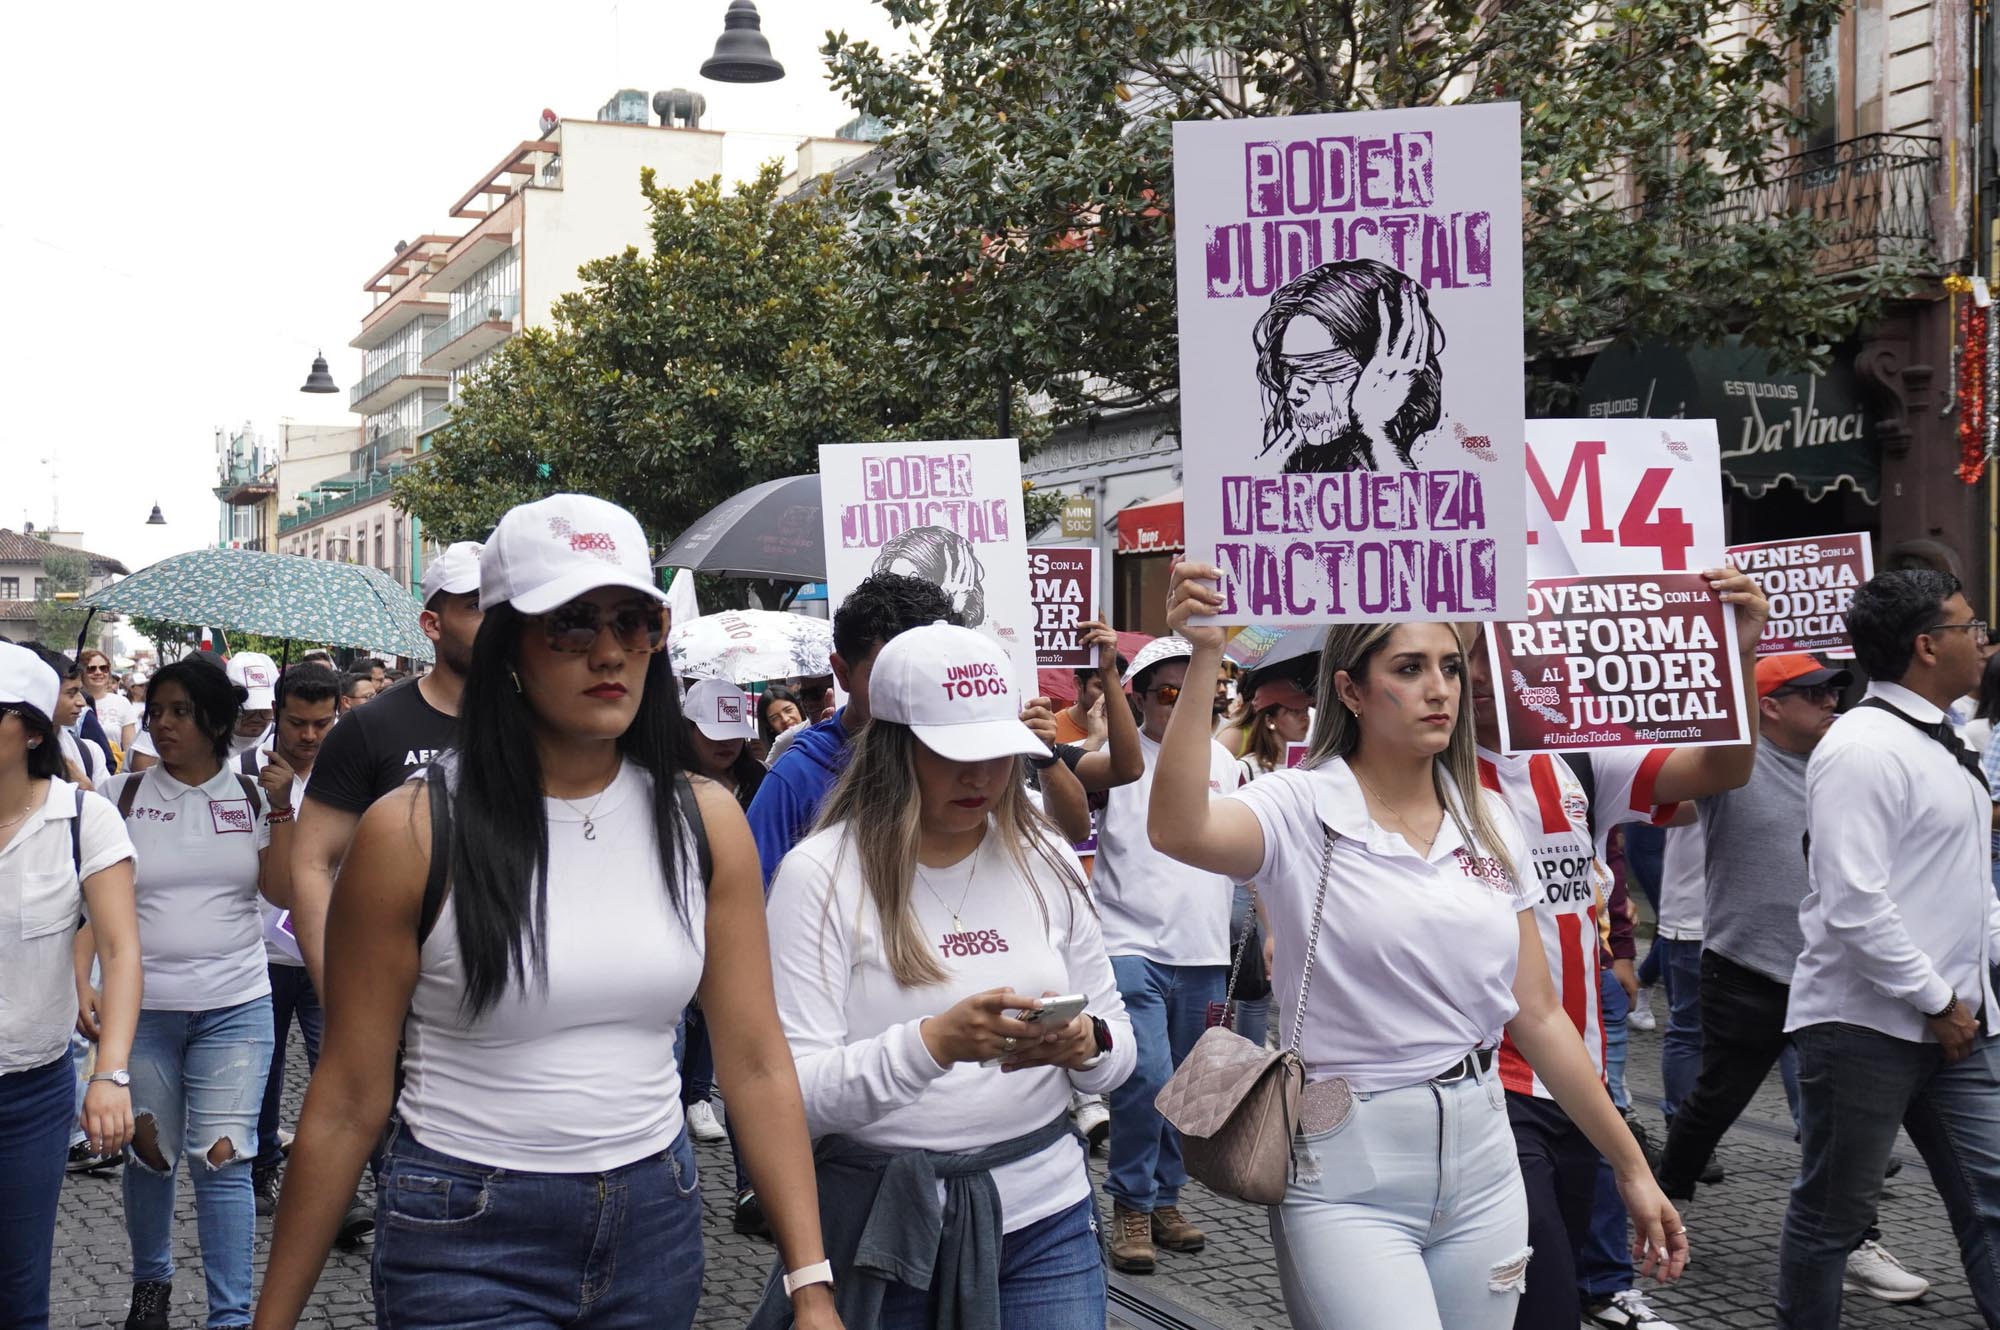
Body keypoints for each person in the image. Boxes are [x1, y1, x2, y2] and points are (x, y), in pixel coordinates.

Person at [252, 495, 839, 1330]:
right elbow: (348, 1094)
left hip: (655, 1223)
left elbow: (754, 1062)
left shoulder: (705, 821)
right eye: (570, 624)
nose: (610, 652)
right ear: (508, 649)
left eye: (636, 622)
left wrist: (810, 1285)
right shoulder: (412, 832)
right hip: (464, 1230)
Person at [1150, 561, 1686, 1330]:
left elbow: (1536, 1015)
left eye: (1447, 667)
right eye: (1408, 668)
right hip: (1344, 1165)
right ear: (1351, 691)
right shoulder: (1301, 804)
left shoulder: (1490, 821)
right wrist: (1205, 657)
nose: (1440, 687)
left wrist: (1632, 1168)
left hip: (1484, 1155)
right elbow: (1179, 830)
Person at [752, 621, 1135, 1329]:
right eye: (953, 752)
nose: (982, 776)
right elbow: (788, 1094)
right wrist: (930, 1046)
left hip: (1049, 1218)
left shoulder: (1045, 855)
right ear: (893, 749)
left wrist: (1086, 1043)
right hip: (883, 1232)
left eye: (998, 752)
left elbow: (1118, 1040)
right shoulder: (820, 876)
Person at [1464, 563, 1766, 1330]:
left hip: (1578, 1066)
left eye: (1509, 651)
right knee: (1537, 1296)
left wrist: (1738, 654)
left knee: (1553, 1288)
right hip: (1480, 1071)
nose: (1488, 673)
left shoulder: (1580, 754)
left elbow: (1725, 768)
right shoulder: (1415, 770)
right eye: (1471, 652)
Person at [1653, 652, 1924, 1304]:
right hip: (1746, 968)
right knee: (1715, 1102)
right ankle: (1657, 1202)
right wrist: (1736, 653)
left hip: (1831, 974)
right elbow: (1673, 773)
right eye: (1813, 693)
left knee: (1836, 1115)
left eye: (1835, 690)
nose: (1832, 701)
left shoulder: (1846, 764)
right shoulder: (1731, 765)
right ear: (1768, 706)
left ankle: (1858, 1240)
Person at [1777, 571, 2000, 1326]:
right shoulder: (1864, 749)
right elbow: (1853, 902)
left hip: (1956, 1025)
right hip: (1867, 1027)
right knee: (1833, 1219)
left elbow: (1966, 884)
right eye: (1971, 628)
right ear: (1927, 646)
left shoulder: (1947, 741)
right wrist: (1936, 1000)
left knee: (1991, 1200)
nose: (1984, 641)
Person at [98, 654, 296, 1330]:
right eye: (157, 711)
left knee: (225, 1159)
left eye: (181, 711)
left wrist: (284, 810)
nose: (163, 723)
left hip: (236, 1007)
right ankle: (151, 1286)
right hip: (143, 1014)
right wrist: (82, 983)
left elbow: (283, 894)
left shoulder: (250, 795)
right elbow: (86, 905)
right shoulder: (118, 795)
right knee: (149, 1157)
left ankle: (230, 1316)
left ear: (215, 720)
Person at [1090, 633, 1244, 1274]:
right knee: (1145, 1075)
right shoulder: (1117, 758)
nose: (1183, 704)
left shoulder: (1228, 764)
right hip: (1130, 943)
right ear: (1141, 698)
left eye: (1199, 691)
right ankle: (1130, 1199)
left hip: (1203, 949)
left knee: (1189, 1086)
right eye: (1168, 693)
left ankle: (1164, 1200)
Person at [0, 644, 140, 1330]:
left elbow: (120, 947)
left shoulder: (83, 819)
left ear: (29, 729)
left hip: (28, 1092)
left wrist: (109, 1073)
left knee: (18, 1288)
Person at [290, 541, 484, 992]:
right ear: (432, 624)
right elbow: (314, 864)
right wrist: (337, 995)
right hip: (404, 994)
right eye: (476, 606)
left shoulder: (543, 721)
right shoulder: (370, 727)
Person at [746, 575, 952, 891]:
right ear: (842, 672)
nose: (911, 694)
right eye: (887, 676)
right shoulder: (796, 778)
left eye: (930, 673)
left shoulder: (967, 762)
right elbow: (753, 908)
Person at [244, 664, 340, 1216]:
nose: (308, 736)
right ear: (276, 714)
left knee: (336, 1061)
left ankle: (338, 1178)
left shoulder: (348, 770)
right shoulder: (244, 771)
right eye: (298, 723)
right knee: (267, 1068)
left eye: (321, 724)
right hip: (264, 951)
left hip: (329, 948)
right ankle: (263, 1172)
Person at [1252, 257, 1445, 472]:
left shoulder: (1433, 448)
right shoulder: (1319, 458)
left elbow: (1417, 505)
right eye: (1290, 370)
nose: (1292, 394)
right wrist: (1293, 437)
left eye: (1321, 368)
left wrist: (1373, 427)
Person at [680, 676, 766, 1145]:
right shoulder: (665, 786)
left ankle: (698, 1095)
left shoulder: (760, 784)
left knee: (720, 1010)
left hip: (737, 919)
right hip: (682, 915)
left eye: (734, 733)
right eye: (714, 733)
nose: (726, 745)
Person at [1226, 672, 1316, 1052]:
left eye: (1306, 711)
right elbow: (1243, 849)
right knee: (1257, 988)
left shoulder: (1317, 766)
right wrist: (1270, 922)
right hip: (1253, 893)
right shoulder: (1247, 769)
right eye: (1294, 712)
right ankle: (1250, 1073)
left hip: (1302, 886)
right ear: (1271, 719)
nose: (1305, 719)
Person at [81, 647, 137, 758]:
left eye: (103, 668)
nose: (98, 672)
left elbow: (130, 749)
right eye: (91, 669)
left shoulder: (122, 703)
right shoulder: (74, 702)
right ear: (82, 672)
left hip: (113, 769)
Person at [225, 652, 279, 756]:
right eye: (248, 711)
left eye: (265, 710)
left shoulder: (285, 745)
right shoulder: (208, 743)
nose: (257, 718)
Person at [758, 684, 806, 750]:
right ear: (769, 726)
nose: (785, 719)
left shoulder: (820, 737)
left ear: (798, 708)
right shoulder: (775, 756)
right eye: (775, 718)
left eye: (788, 710)